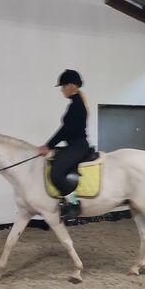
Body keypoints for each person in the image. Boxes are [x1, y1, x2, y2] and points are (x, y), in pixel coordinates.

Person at [40, 69, 90, 220]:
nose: (62, 90)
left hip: (78, 146)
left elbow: (66, 130)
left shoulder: (76, 105)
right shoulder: (75, 104)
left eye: (63, 86)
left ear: (71, 86)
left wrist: (48, 145)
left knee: (56, 173)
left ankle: (74, 204)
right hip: (73, 145)